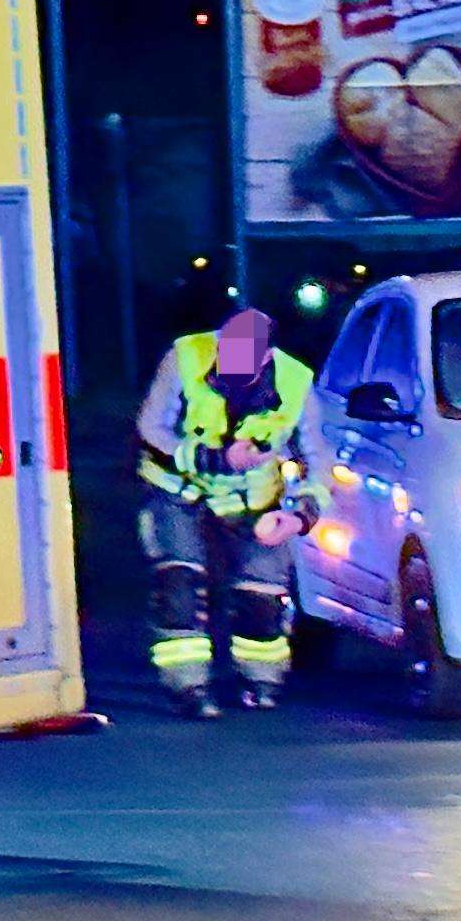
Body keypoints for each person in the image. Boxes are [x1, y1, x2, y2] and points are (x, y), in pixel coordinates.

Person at [134, 306, 313, 719]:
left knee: (262, 592)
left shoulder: (297, 382)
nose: (229, 368)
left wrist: (298, 517)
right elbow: (151, 427)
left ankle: (261, 681)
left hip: (253, 501)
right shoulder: (184, 357)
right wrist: (215, 459)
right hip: (179, 489)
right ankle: (188, 686)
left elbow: (316, 462)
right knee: (179, 581)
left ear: (267, 357)